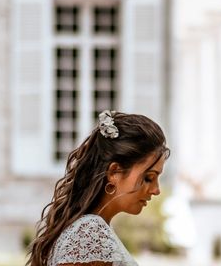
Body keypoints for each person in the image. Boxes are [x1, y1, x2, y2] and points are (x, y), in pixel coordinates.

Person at [27, 110, 170, 266]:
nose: (156, 190)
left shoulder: (91, 229)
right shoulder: (89, 232)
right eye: (148, 178)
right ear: (114, 172)